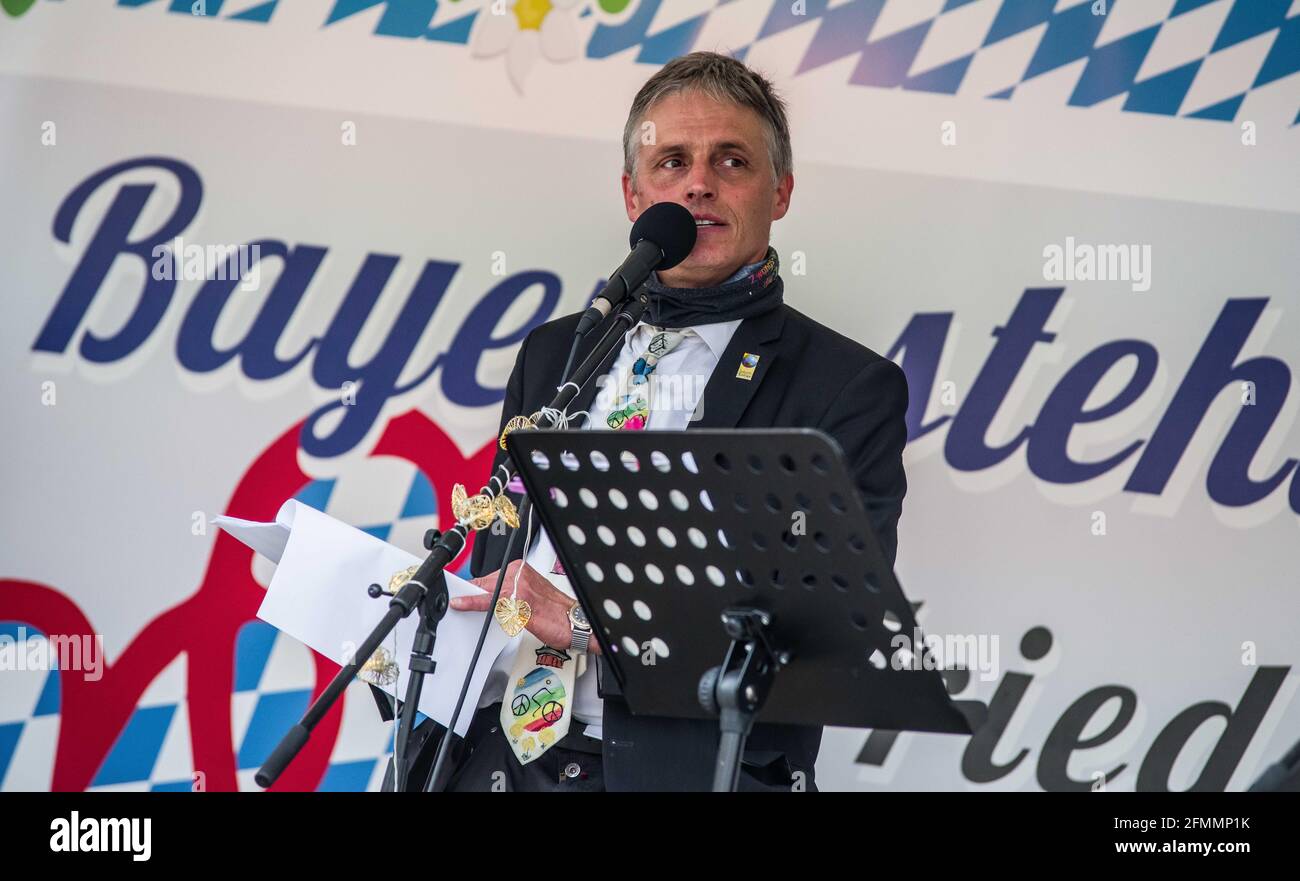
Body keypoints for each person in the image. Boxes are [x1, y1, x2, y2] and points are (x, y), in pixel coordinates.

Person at [389, 50, 909, 792]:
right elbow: (507, 552)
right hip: (492, 760)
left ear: (782, 190)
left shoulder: (847, 387)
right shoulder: (554, 350)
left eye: (732, 160)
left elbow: (820, 638)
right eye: (671, 161)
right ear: (634, 196)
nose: (699, 181)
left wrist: (586, 627)